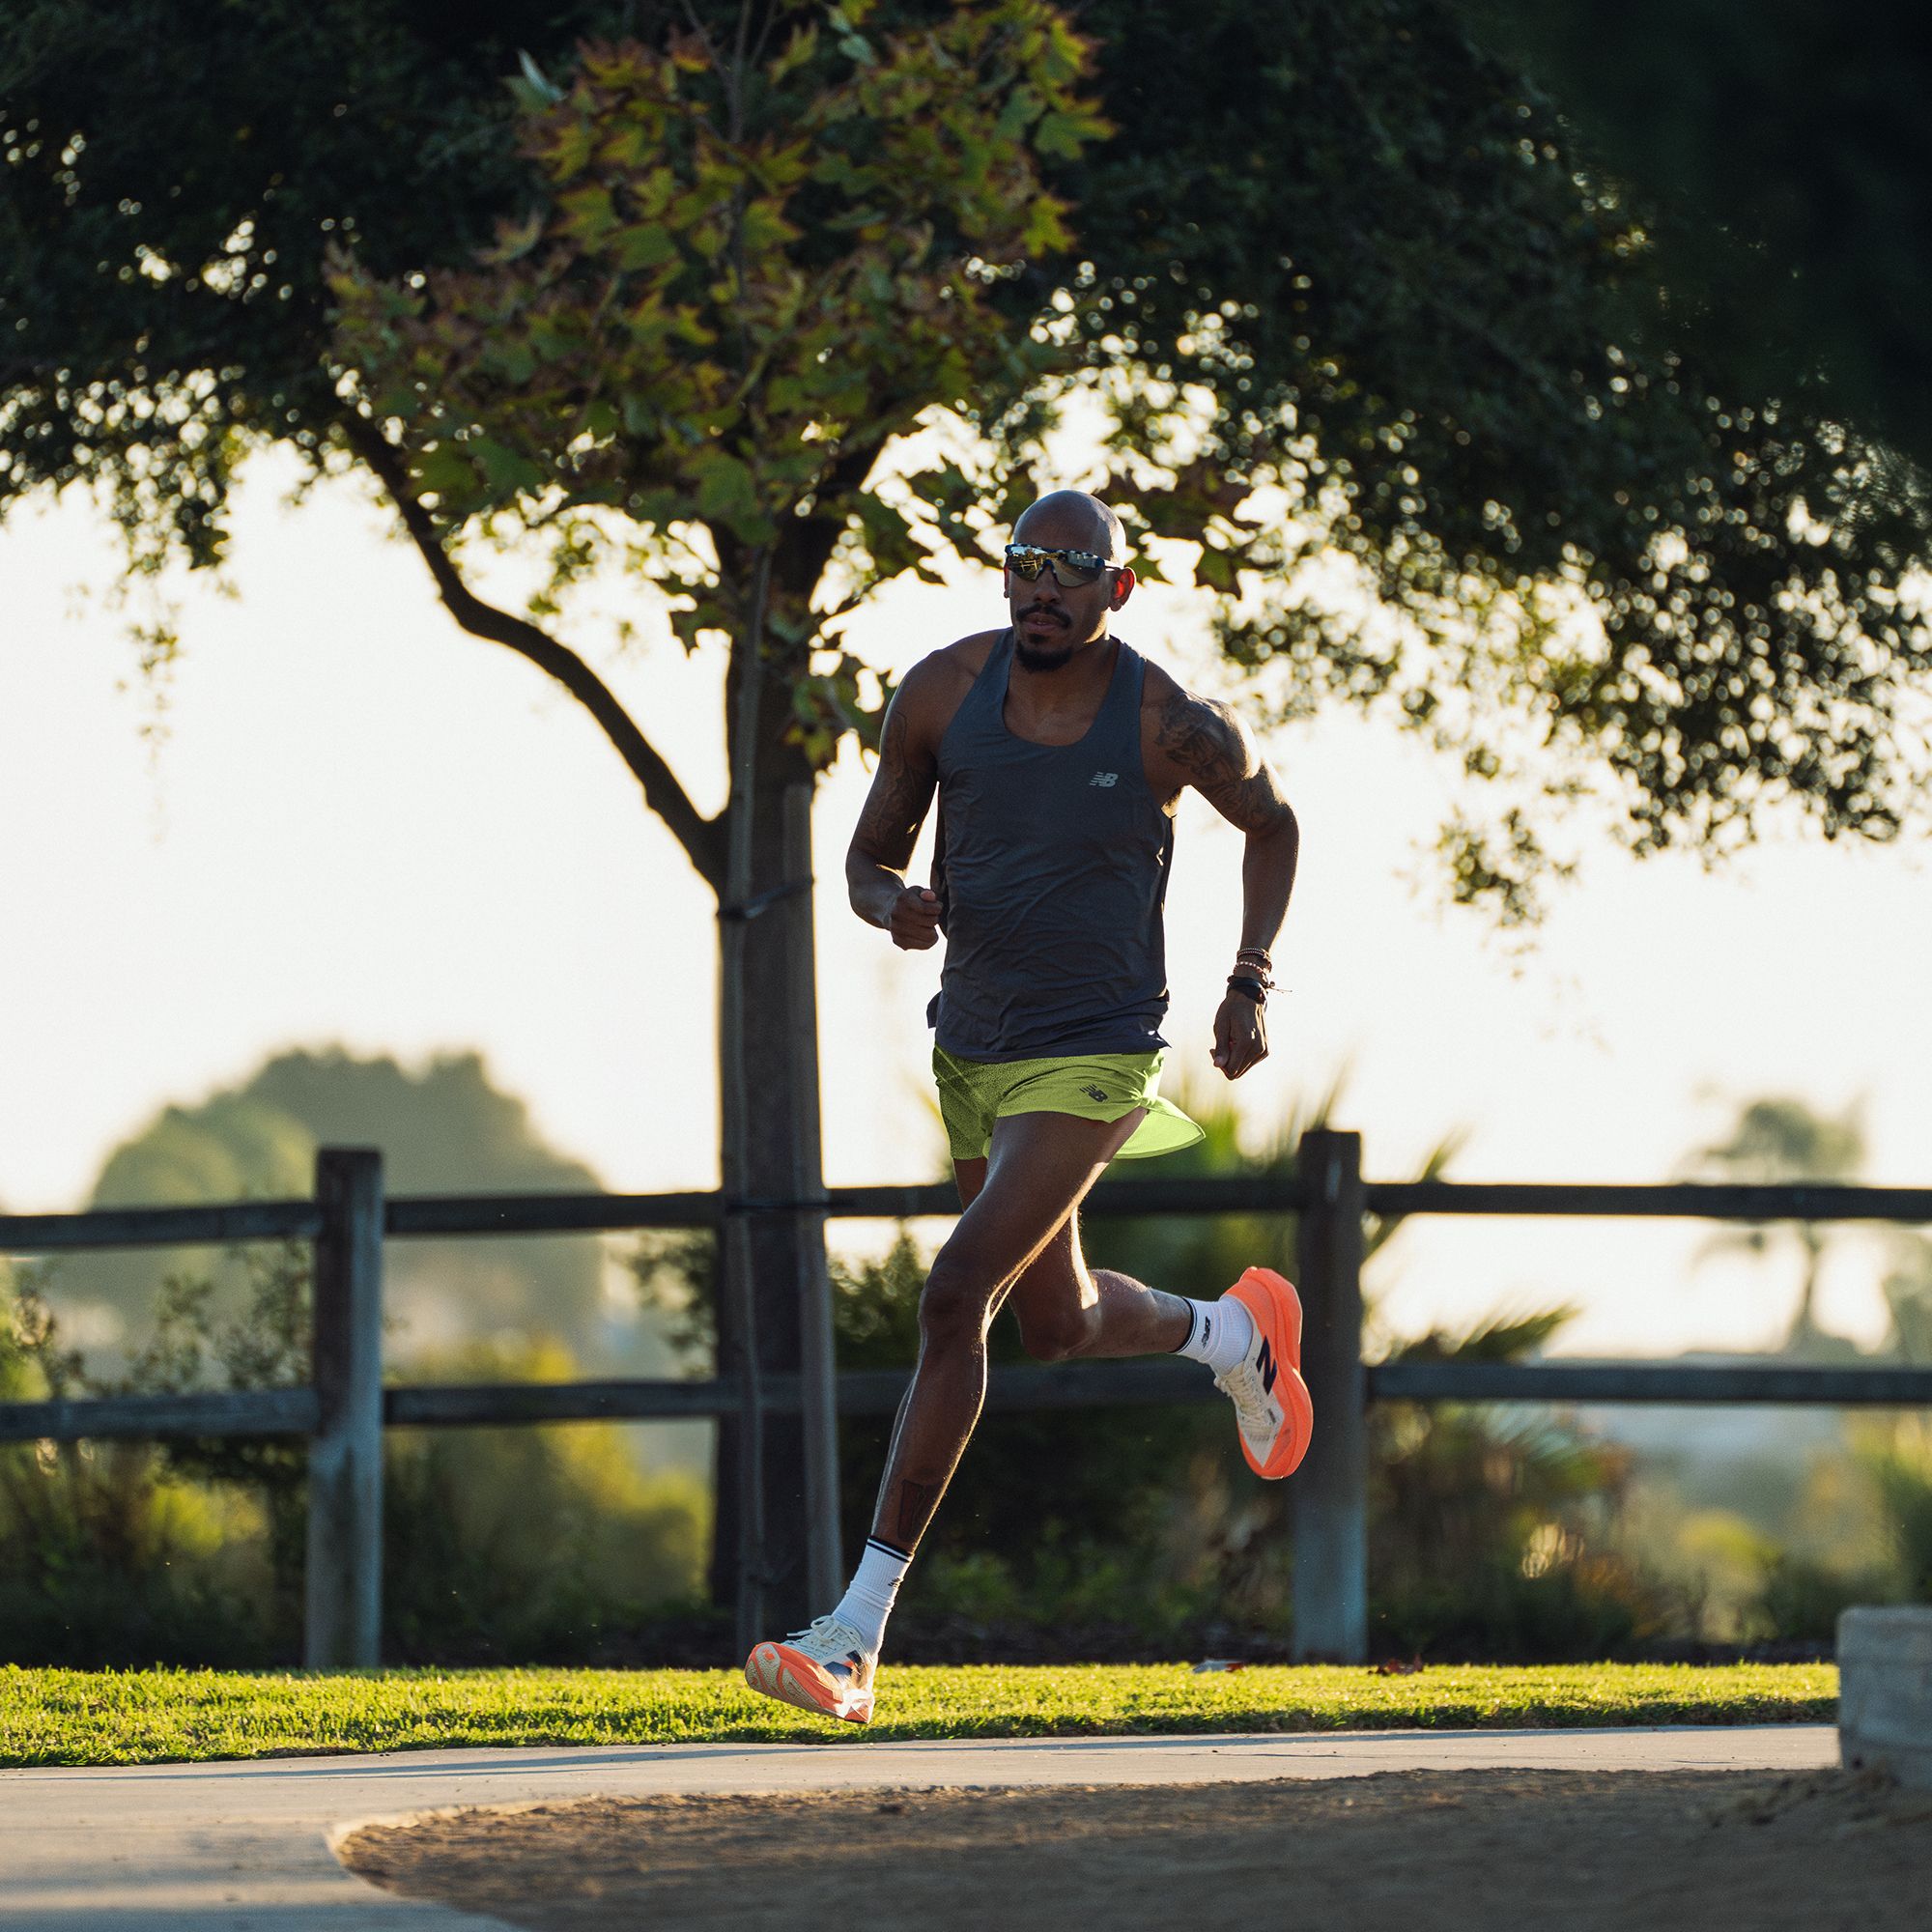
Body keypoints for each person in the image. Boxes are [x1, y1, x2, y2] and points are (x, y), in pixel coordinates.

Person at [745, 489, 1313, 1722]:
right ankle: (1232, 1333)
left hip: (1096, 1051)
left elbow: (1272, 827)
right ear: (1003, 575)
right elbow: (866, 857)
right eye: (1025, 563)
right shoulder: (939, 694)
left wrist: (1248, 980)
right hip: (974, 1048)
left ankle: (851, 1638)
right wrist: (889, 902)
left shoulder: (1170, 724)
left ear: (1116, 588)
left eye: (1071, 567)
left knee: (956, 1293)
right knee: (1055, 1320)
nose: (1043, 586)